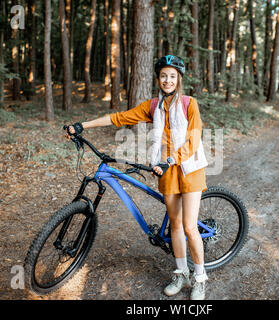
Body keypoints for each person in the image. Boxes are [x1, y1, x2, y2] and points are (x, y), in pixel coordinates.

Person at [66, 55, 209, 300]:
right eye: (163, 75)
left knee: (188, 226)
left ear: (179, 79)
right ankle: (181, 273)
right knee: (175, 225)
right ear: (158, 79)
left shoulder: (189, 103)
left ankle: (200, 278)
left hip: (190, 170)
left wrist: (172, 159)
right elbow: (119, 118)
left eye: (172, 76)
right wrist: (83, 126)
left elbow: (194, 139)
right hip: (166, 172)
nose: (167, 80)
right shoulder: (153, 106)